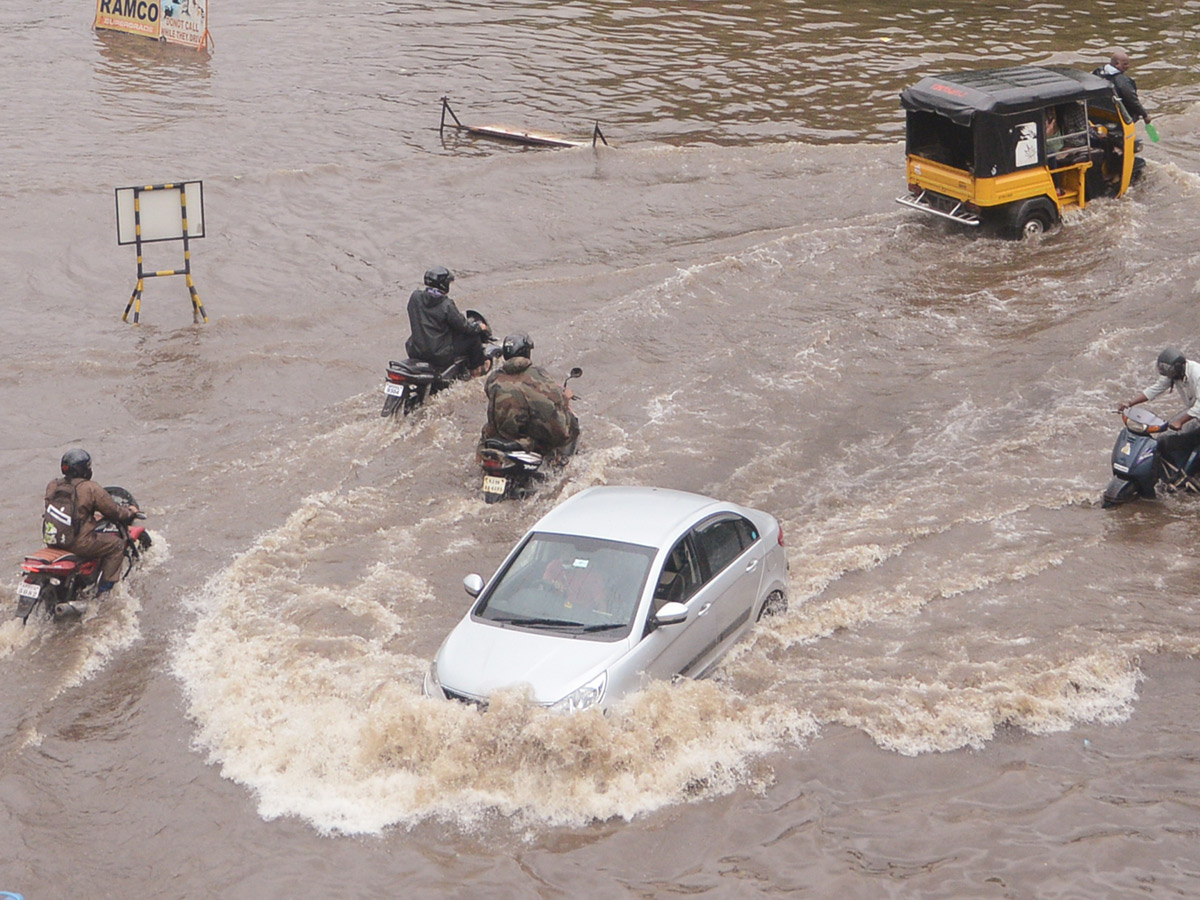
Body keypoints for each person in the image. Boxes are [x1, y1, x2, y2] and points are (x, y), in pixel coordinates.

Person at [45, 449, 140, 596]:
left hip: (52, 540)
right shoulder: (90, 488)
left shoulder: (53, 485)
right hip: (78, 544)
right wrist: (131, 512)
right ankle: (104, 592)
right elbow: (114, 511)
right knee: (116, 545)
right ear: (83, 469)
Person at [478, 332, 579, 463]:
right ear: (526, 352)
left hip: (502, 434)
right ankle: (561, 462)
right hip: (527, 436)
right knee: (571, 424)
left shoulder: (493, 378)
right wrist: (565, 397)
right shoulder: (539, 375)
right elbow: (554, 401)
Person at [1117, 347, 1200, 472]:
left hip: (1197, 409)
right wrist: (1130, 403)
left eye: (1169, 370)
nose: (1167, 374)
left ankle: (1191, 474)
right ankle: (1176, 471)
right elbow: (1155, 389)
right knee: (1165, 439)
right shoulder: (1175, 374)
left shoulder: (1196, 374)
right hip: (1195, 410)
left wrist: (1180, 422)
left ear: (1177, 367)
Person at [404, 266, 491, 377]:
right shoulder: (446, 305)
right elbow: (464, 327)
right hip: (439, 354)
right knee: (473, 339)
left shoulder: (415, 297)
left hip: (415, 350)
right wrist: (479, 327)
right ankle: (476, 371)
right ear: (444, 285)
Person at [1093, 50, 1151, 124]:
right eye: (1125, 64)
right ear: (1117, 64)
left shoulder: (1098, 72)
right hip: (1119, 118)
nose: (1128, 66)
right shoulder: (1123, 81)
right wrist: (1145, 115)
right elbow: (1132, 100)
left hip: (1097, 113)